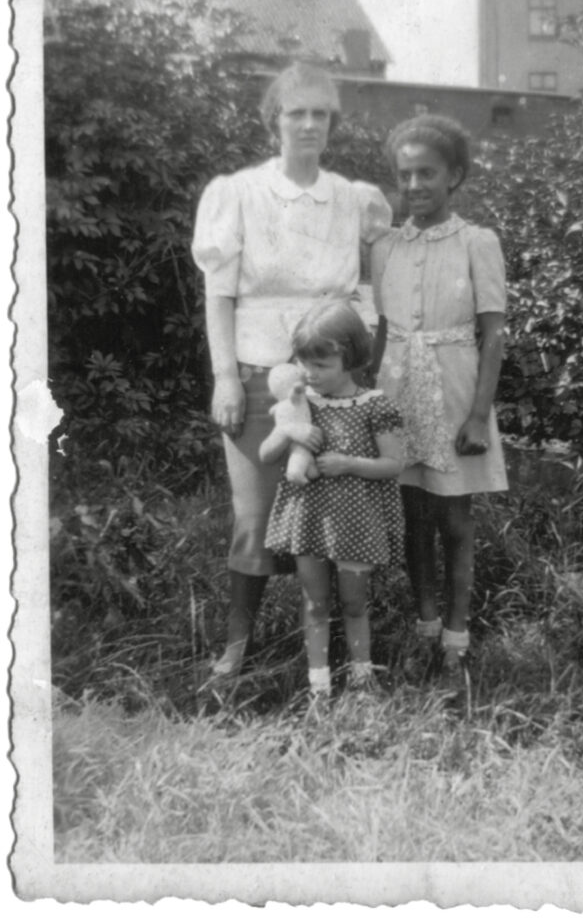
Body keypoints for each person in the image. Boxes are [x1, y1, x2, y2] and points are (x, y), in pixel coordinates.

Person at [191, 63, 392, 678]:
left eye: (320, 113)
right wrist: (226, 376)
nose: (308, 124)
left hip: (335, 382)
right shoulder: (240, 192)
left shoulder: (354, 200)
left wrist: (362, 377)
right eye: (295, 112)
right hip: (256, 375)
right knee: (254, 516)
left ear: (332, 123)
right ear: (273, 119)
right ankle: (237, 647)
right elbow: (220, 293)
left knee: (334, 513)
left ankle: (333, 659)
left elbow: (367, 300)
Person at [370, 114, 508, 688]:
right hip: (398, 388)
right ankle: (424, 629)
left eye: (427, 173)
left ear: (455, 175)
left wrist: (478, 414)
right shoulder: (385, 248)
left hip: (454, 391)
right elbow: (379, 331)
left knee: (453, 517)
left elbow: (494, 333)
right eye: (405, 175)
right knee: (412, 516)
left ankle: (457, 640)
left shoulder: (478, 241)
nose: (415, 185)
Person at [262, 300, 405, 703]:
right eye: (304, 363)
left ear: (349, 357)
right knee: (315, 602)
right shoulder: (300, 402)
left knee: (354, 603)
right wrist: (290, 430)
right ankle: (318, 686)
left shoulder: (374, 405)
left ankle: (362, 680)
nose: (310, 374)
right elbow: (267, 455)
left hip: (356, 524)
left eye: (320, 366)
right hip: (309, 520)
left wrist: (349, 463)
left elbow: (394, 464)